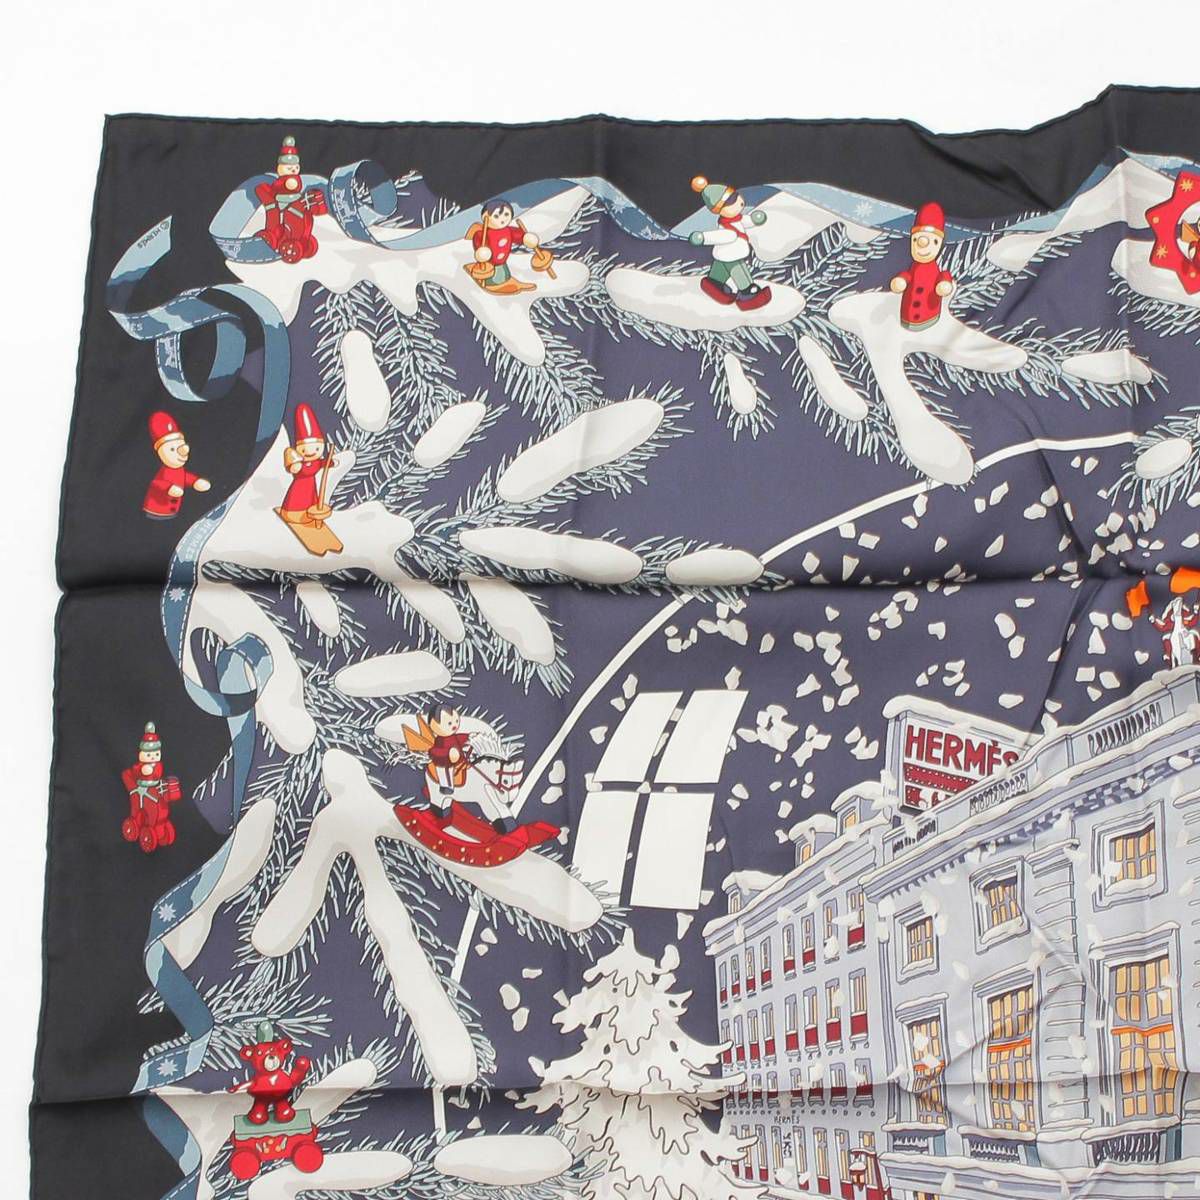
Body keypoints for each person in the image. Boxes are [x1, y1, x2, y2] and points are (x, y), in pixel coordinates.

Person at [687, 175, 771, 310]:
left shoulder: (736, 219)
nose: (739, 202)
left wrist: (754, 220)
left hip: (726, 255)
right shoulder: (728, 231)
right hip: (732, 256)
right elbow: (717, 236)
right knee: (740, 272)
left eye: (736, 196)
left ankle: (714, 283)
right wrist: (703, 237)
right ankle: (747, 291)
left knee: (719, 271)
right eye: (732, 202)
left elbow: (744, 221)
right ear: (720, 209)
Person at [254, 135, 328, 263]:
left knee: (297, 220)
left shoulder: (293, 180)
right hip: (280, 203)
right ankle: (273, 236)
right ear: (280, 169)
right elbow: (283, 187)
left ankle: (298, 239)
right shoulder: (284, 181)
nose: (294, 170)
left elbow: (293, 185)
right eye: (290, 168)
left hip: (290, 202)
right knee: (276, 218)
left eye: (296, 168)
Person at [890, 202, 955, 330]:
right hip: (906, 319)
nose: (921, 245)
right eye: (915, 240)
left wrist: (944, 284)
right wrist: (901, 280)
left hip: (930, 317)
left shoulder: (934, 269)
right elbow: (907, 276)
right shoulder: (914, 268)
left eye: (933, 241)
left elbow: (944, 276)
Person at [142, 411, 210, 519]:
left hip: (172, 512)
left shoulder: (179, 470)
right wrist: (169, 488)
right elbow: (157, 483)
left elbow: (185, 477)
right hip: (156, 510)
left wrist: (195, 482)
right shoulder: (165, 472)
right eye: (172, 449)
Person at [467, 197, 539, 294]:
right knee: (495, 277)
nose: (502, 219)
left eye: (506, 215)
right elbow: (478, 241)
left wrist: (526, 238)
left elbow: (518, 235)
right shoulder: (483, 234)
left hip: (502, 261)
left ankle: (508, 281)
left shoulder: (508, 231)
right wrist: (482, 252)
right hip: (489, 265)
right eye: (496, 216)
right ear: (485, 217)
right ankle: (495, 283)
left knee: (504, 273)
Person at [281, 403, 336, 522]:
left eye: (316, 449)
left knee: (310, 502)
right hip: (299, 486)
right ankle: (293, 513)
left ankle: (307, 515)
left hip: (311, 487)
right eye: (304, 450)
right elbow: (293, 467)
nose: (310, 453)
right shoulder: (299, 463)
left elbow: (322, 463)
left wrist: (330, 462)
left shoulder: (316, 462)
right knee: (298, 500)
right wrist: (294, 467)